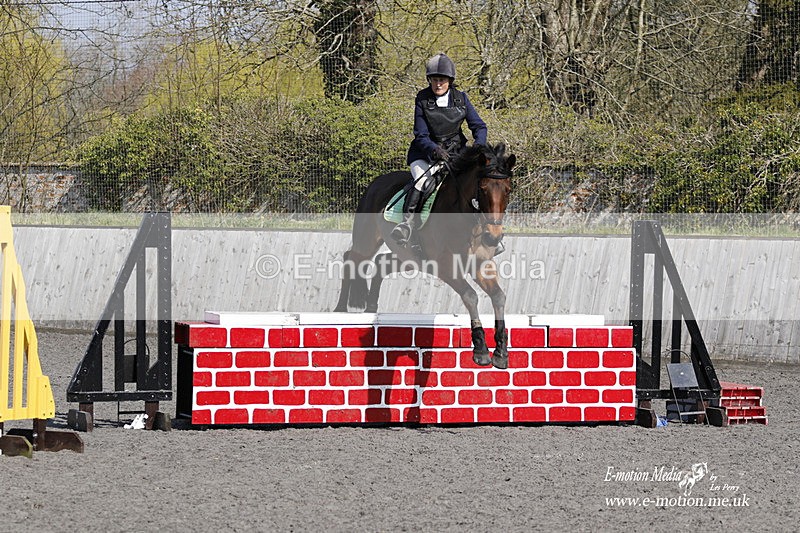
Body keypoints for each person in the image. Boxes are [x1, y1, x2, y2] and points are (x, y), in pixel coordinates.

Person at [390, 53, 488, 247]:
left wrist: (478, 145)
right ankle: (407, 224)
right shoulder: (423, 99)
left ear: (450, 81)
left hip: (455, 154)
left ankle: (485, 231)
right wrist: (435, 150)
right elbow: (420, 134)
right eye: (434, 80)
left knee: (473, 183)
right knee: (422, 181)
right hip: (425, 154)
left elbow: (479, 126)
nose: (437, 84)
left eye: (441, 80)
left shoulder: (461, 99)